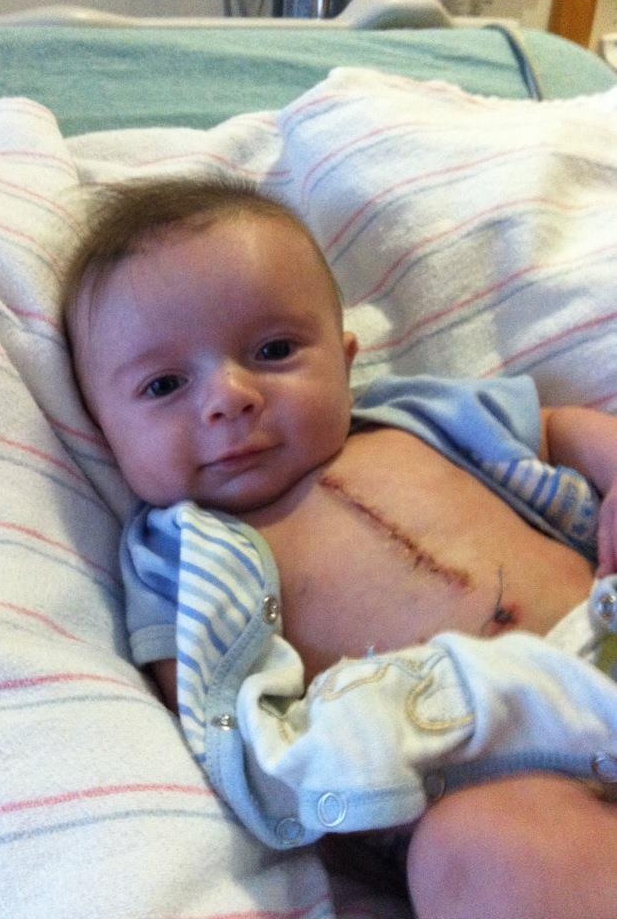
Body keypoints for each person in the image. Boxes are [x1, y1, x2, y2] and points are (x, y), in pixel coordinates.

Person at [64, 175, 617, 919]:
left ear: (346, 359)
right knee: (478, 853)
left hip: (599, 641)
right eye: (164, 386)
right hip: (484, 771)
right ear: (104, 430)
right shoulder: (178, 554)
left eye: (272, 349)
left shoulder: (416, 416)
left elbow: (556, 429)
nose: (228, 397)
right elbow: (213, 711)